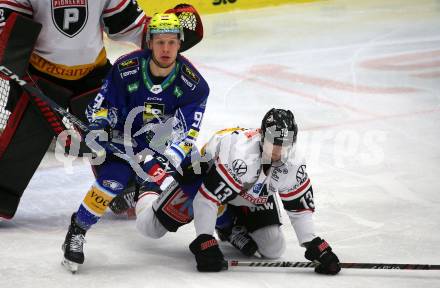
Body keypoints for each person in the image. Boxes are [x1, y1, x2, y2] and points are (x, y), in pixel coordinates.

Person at [0, 0, 203, 220]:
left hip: (93, 76)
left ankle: (127, 189)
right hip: (40, 76)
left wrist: (164, 34)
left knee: (116, 136)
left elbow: (131, 25)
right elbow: (7, 23)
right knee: (20, 147)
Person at [61, 12, 209, 273]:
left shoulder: (194, 85)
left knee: (199, 170)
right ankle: (77, 230)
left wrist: (163, 160)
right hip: (125, 140)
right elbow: (102, 106)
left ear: (180, 43)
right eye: (160, 42)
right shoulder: (126, 69)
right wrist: (100, 126)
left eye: (172, 42)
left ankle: (217, 230)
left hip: (162, 143)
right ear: (149, 42)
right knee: (111, 184)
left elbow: (187, 135)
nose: (166, 49)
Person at [133, 108, 341, 275]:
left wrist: (312, 242)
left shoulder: (294, 163)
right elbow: (207, 198)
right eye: (273, 144)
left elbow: (299, 209)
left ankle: (227, 226)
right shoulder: (239, 155)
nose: (278, 152)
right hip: (203, 177)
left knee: (273, 248)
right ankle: (150, 184)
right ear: (261, 137)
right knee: (149, 227)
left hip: (247, 193)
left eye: (284, 145)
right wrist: (204, 240)